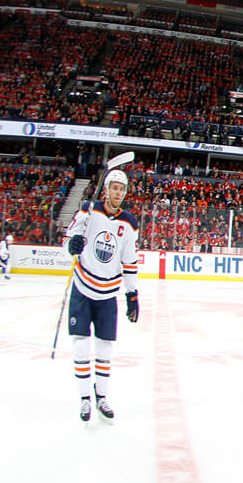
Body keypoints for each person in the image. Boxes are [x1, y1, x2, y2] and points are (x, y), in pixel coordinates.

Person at [64, 170, 140, 422]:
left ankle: (102, 397)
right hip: (83, 288)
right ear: (106, 189)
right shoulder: (88, 210)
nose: (118, 192)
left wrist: (132, 294)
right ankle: (85, 399)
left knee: (105, 348)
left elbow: (129, 261)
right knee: (81, 345)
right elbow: (69, 237)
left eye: (122, 189)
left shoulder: (129, 222)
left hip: (108, 293)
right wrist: (71, 244)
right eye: (114, 188)